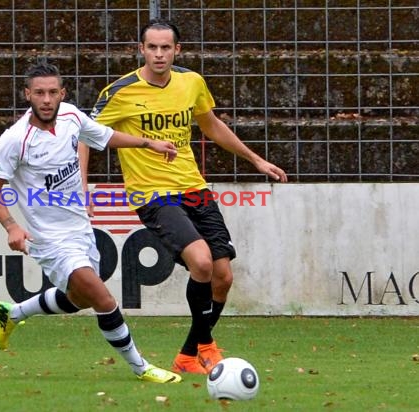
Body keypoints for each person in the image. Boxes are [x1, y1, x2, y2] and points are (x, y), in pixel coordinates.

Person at [87, 19, 288, 375]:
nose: (159, 54)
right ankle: (207, 346)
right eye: (152, 47)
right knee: (202, 262)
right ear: (141, 50)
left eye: (166, 47)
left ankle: (187, 355)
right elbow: (86, 135)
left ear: (177, 49)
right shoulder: (120, 92)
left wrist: (256, 159)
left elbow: (211, 125)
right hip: (153, 195)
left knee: (223, 277)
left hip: (193, 187)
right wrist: (80, 186)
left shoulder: (191, 82)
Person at [0, 62, 181, 384]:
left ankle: (13, 313)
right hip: (50, 240)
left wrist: (149, 143)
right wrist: (11, 226)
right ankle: (141, 367)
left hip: (81, 229)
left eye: (52, 92)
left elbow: (105, 136)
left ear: (62, 93)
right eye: (39, 93)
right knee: (103, 300)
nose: (46, 99)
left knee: (77, 300)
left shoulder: (72, 117)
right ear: (27, 95)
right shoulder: (15, 140)